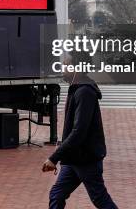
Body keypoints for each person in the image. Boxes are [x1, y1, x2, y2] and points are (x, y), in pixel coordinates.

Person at [43, 58, 118, 209]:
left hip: (86, 159)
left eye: (65, 66)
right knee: (56, 195)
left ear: (76, 68)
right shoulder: (77, 88)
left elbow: (79, 131)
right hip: (74, 159)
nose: (62, 69)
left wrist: (54, 158)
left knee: (100, 199)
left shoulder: (85, 92)